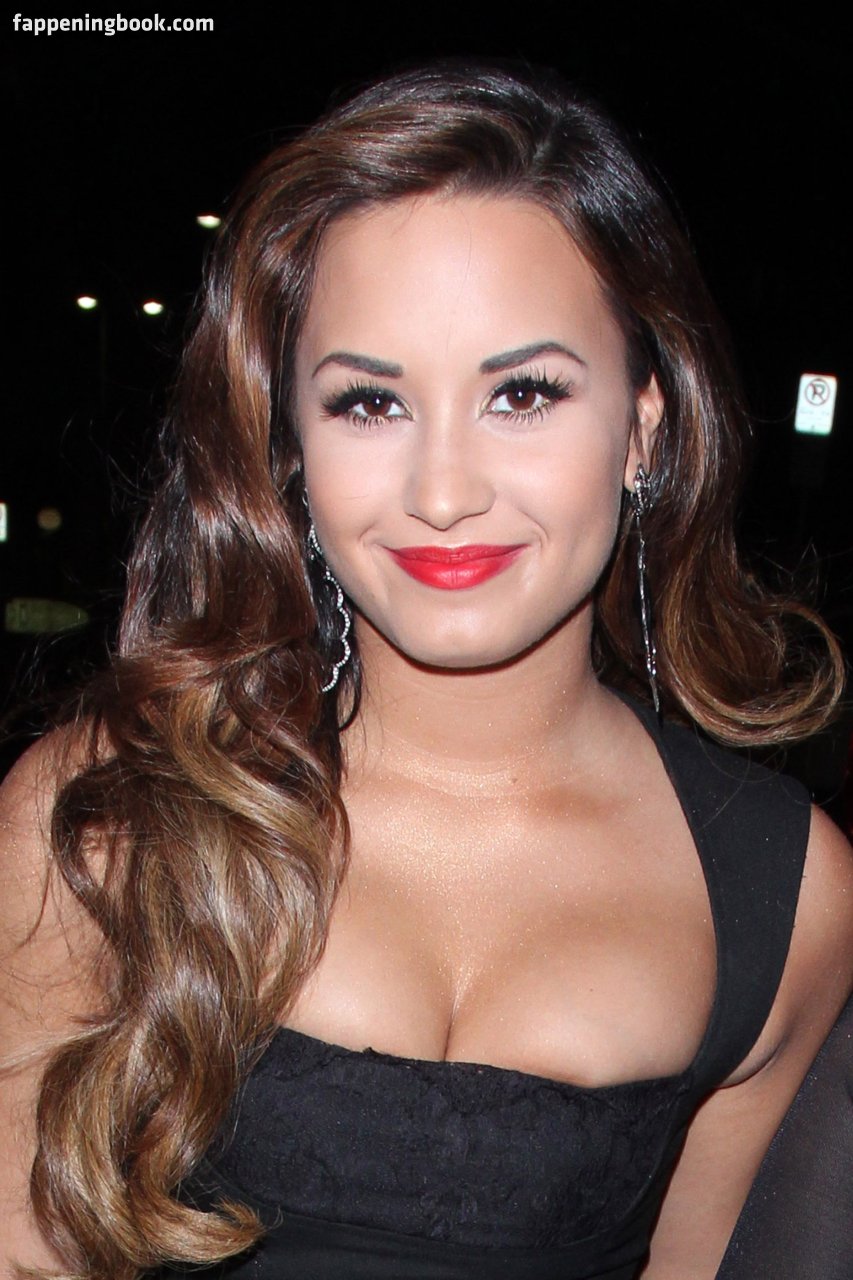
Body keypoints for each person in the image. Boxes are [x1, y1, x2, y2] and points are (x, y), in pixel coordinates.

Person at [1, 60, 851, 1280]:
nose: (442, 491)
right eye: (369, 404)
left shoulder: (784, 894)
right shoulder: (105, 813)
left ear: (643, 427)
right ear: (290, 442)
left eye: (523, 392)